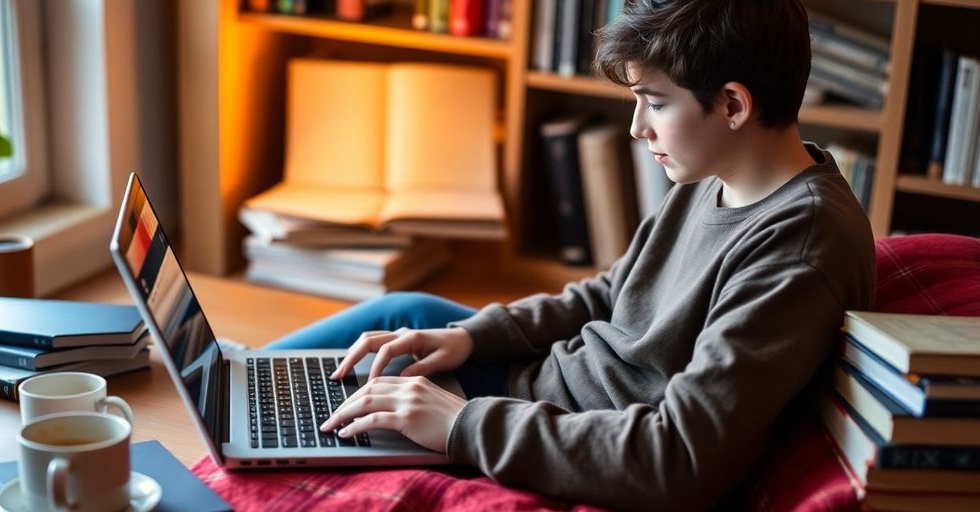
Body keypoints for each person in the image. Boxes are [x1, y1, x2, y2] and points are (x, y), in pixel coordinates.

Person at [269, 0, 876, 508]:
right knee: (398, 320)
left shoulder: (796, 249)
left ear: (734, 105)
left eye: (655, 102)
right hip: (539, 386)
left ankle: (233, 419)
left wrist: (459, 424)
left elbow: (684, 457)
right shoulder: (721, 173)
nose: (638, 127)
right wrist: (476, 337)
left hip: (563, 430)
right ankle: (229, 385)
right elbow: (613, 294)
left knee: (339, 407)